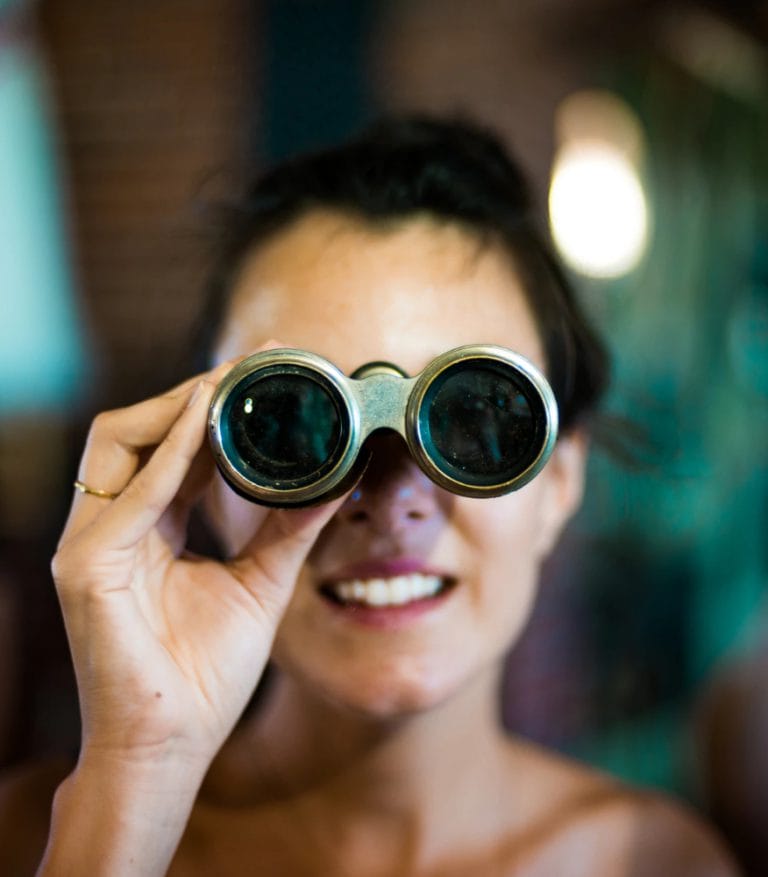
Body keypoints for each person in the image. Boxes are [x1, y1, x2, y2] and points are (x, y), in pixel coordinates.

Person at [0, 116, 739, 876]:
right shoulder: (38, 843)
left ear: (558, 482)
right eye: (293, 420)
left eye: (475, 418)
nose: (390, 497)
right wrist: (132, 780)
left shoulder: (658, 862)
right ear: (207, 477)